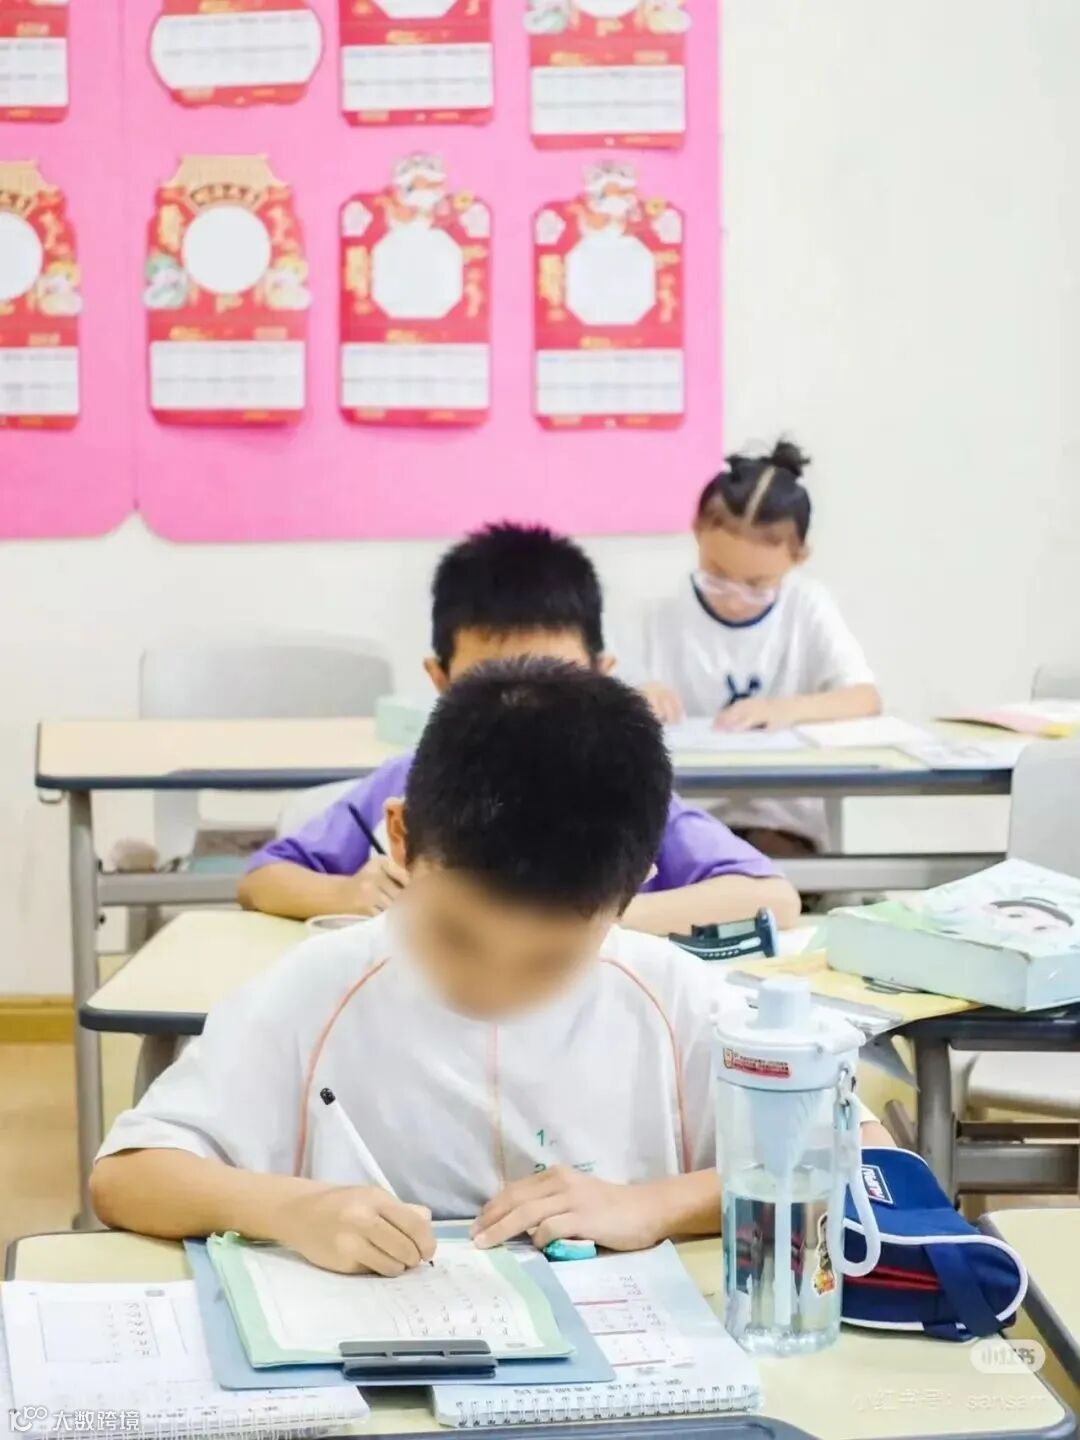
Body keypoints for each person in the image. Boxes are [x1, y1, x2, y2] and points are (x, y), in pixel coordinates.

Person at [92, 661, 886, 1272]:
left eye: (551, 959)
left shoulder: (670, 994)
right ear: (401, 839)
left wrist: (657, 1205)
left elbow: (864, 1155)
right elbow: (126, 1175)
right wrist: (288, 1210)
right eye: (456, 936)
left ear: (635, 889)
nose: (493, 986)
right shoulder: (318, 989)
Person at [239, 523, 800, 933]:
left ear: (601, 676)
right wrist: (344, 891)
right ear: (440, 680)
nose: (524, 713)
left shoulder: (618, 792)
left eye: (555, 683)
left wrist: (596, 917)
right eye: (490, 685)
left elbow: (773, 897)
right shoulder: (413, 782)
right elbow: (263, 877)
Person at [641, 443, 881, 855]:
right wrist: (637, 696)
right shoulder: (659, 610)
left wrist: (784, 709)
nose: (735, 600)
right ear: (697, 531)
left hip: (782, 823)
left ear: (799, 557)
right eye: (717, 576)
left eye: (756, 586)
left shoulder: (807, 605)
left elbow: (864, 697)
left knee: (764, 872)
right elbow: (605, 685)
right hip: (686, 819)